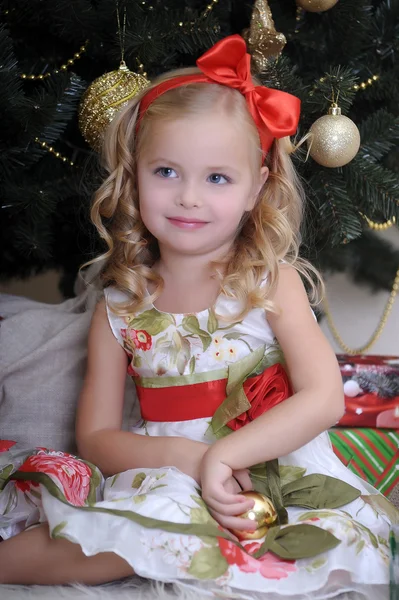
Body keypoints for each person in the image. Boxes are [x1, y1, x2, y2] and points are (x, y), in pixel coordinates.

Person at [0, 35, 394, 598]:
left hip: (268, 467)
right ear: (134, 174)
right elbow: (96, 437)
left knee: (329, 549)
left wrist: (227, 455)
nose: (188, 197)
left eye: (216, 178)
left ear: (257, 187)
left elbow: (325, 399)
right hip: (169, 468)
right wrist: (192, 458)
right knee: (138, 532)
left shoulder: (269, 284)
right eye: (166, 171)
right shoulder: (119, 304)